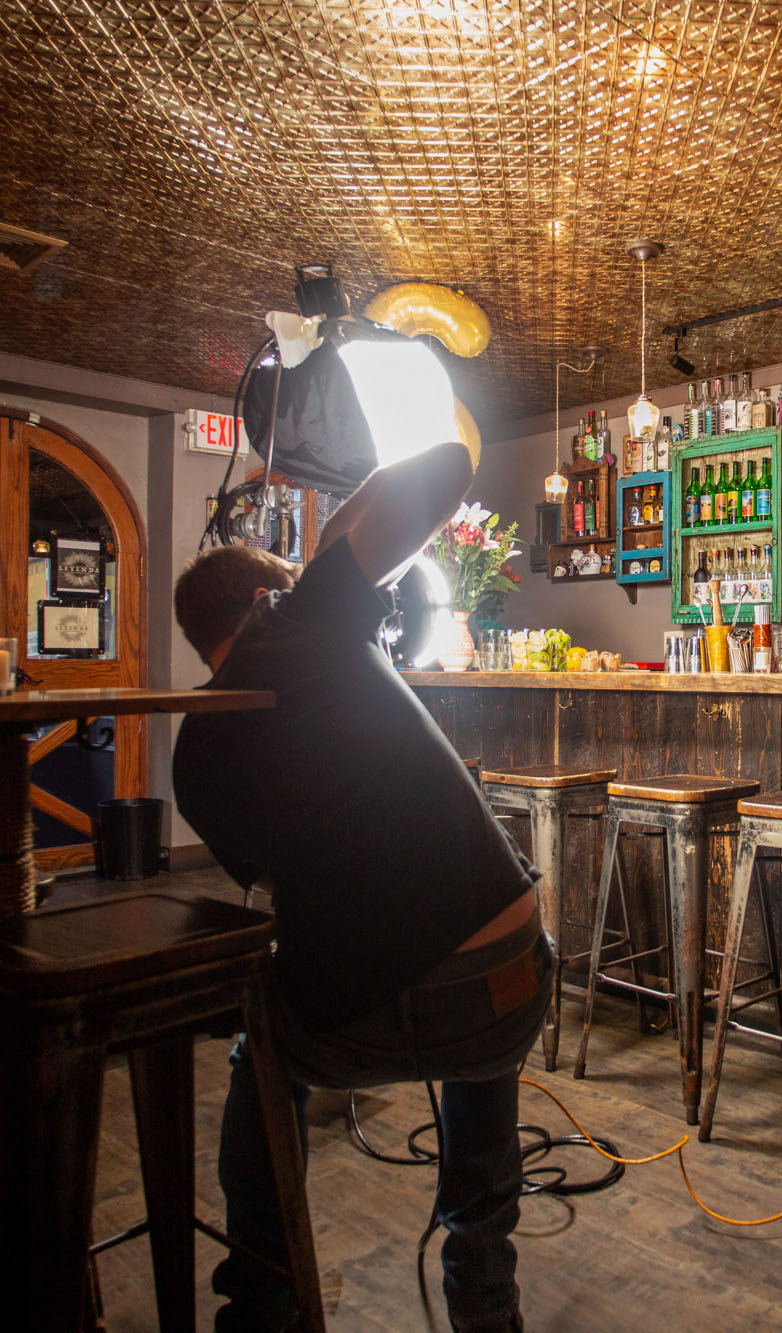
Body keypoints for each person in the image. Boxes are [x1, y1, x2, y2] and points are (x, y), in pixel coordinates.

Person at [172, 440, 552, 1331]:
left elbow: (279, 885)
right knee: (480, 1027)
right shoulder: (309, 618)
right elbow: (453, 463)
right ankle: (486, 1302)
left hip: (358, 1020)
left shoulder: (194, 755)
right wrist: (326, 566)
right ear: (271, 595)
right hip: (502, 988)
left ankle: (262, 1304)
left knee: (259, 1049)